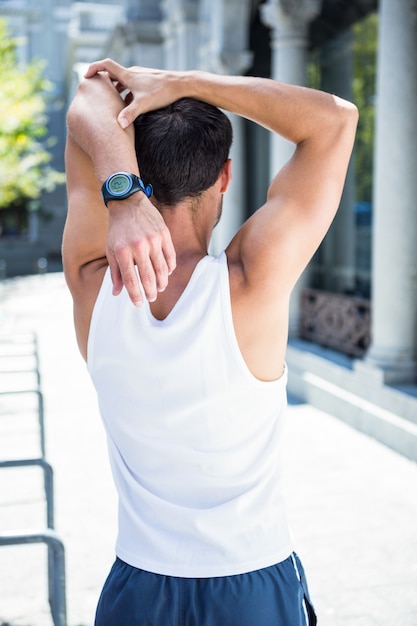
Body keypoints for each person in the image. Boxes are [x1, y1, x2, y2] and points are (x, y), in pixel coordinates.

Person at [62, 58, 358, 626]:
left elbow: (91, 89)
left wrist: (123, 195)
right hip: (252, 584)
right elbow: (335, 121)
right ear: (224, 175)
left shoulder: (93, 279)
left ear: (134, 170)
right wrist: (189, 83)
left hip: (138, 589)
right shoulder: (252, 280)